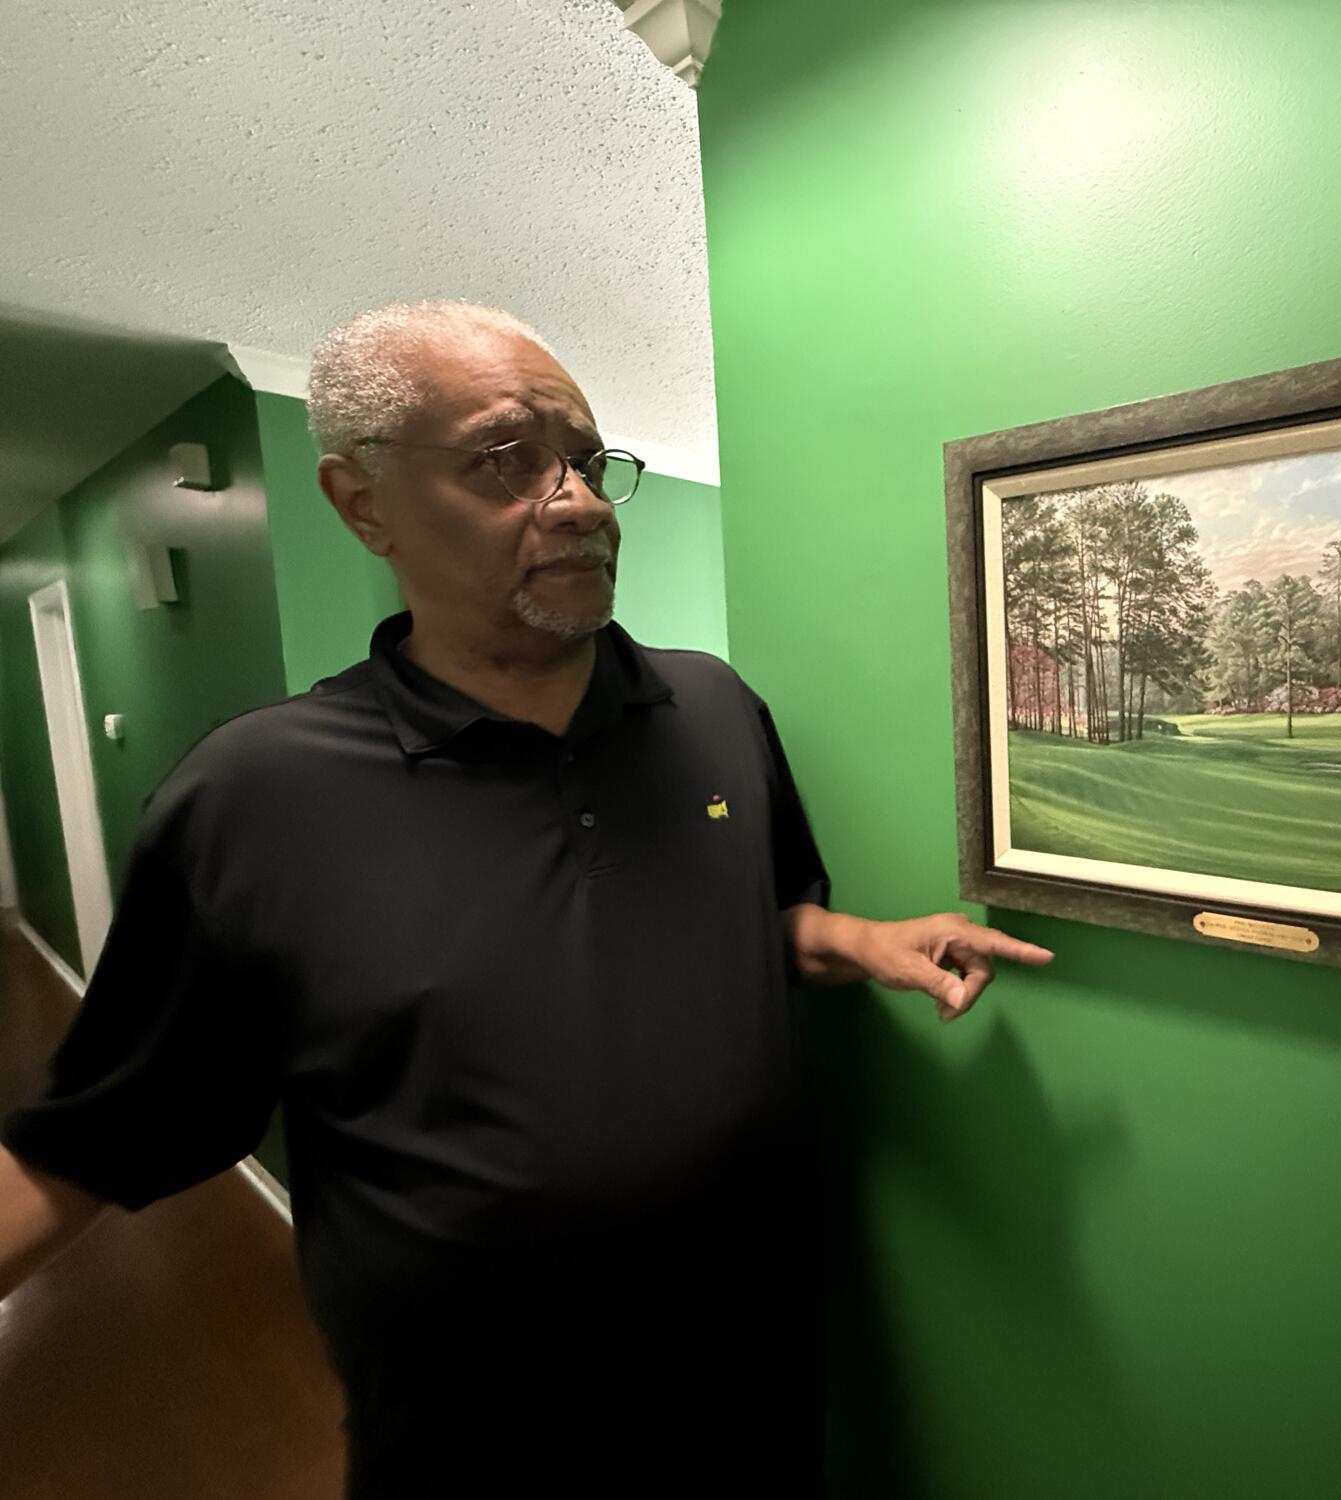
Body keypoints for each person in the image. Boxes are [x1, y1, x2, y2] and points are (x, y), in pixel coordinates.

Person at [0, 301, 1053, 1495]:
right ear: (362, 504)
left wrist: (847, 938)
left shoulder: (712, 710)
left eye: (589, 463)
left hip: (749, 1378)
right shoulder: (255, 795)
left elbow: (739, 926)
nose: (582, 502)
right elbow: (95, 1139)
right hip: (473, 1432)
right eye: (505, 459)